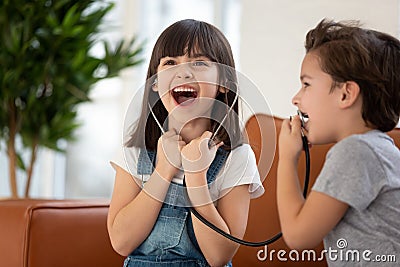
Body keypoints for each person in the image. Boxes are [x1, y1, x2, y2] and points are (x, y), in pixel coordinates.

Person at [107, 19, 264, 267]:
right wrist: (163, 171)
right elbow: (121, 242)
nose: (184, 72)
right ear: (155, 83)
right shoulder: (134, 153)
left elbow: (219, 256)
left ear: (224, 83)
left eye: (199, 63)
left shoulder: (238, 157)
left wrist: (196, 175)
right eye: (170, 63)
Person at [277, 18, 400, 266]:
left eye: (306, 84)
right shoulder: (376, 148)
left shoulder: (355, 152)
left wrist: (287, 159)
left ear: (345, 94)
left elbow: (298, 236)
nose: (295, 98)